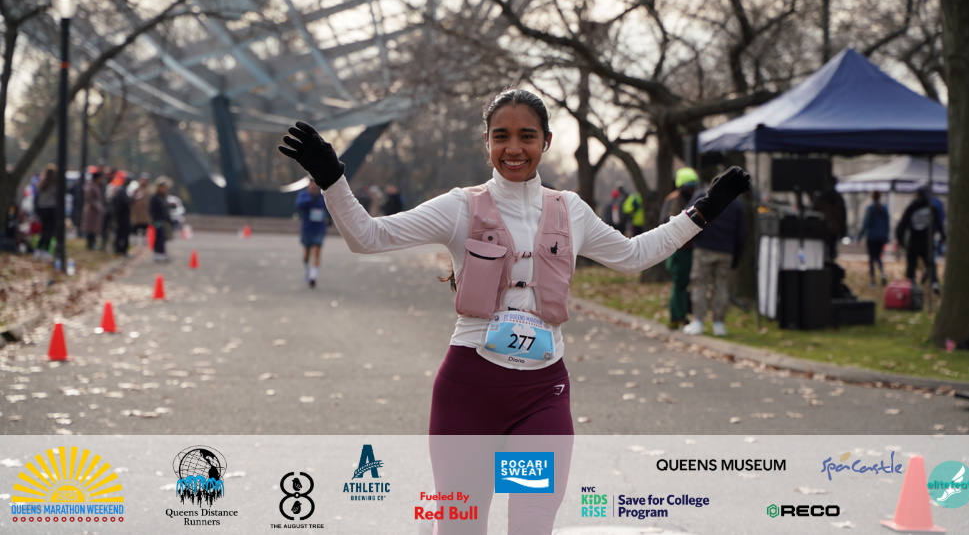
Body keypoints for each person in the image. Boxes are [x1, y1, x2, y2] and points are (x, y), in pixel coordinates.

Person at [279, 88, 750, 534]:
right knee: (462, 527)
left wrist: (703, 211)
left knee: (530, 526)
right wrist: (333, 180)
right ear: (486, 142)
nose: (514, 148)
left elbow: (633, 255)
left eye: (527, 136)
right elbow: (369, 237)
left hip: (541, 396)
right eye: (501, 136)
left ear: (546, 141)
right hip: (468, 393)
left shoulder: (571, 210)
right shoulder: (460, 207)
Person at [684, 174, 746, 336]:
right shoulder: (737, 204)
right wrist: (736, 255)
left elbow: (688, 218)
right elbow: (741, 233)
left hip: (704, 247)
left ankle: (698, 321)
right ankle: (719, 323)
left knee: (700, 284)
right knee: (721, 287)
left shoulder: (702, 196)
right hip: (726, 250)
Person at [662, 167, 699, 330]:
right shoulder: (675, 200)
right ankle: (678, 316)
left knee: (682, 284)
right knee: (679, 284)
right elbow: (667, 222)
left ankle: (677, 316)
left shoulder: (687, 199)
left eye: (693, 185)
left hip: (687, 248)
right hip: (678, 249)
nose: (692, 189)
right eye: (689, 185)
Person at [895, 187, 945, 293]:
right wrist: (942, 237)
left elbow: (903, 224)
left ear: (918, 195)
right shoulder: (932, 207)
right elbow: (939, 224)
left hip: (914, 240)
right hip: (927, 240)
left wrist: (900, 239)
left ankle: (911, 284)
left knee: (911, 264)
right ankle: (934, 283)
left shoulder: (912, 207)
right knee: (930, 263)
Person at [295, 179, 330, 288]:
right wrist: (311, 197)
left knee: (317, 251)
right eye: (311, 184)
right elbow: (299, 205)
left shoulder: (322, 196)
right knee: (307, 253)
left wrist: (330, 219)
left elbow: (329, 207)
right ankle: (307, 269)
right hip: (307, 228)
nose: (313, 186)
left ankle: (313, 277)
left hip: (319, 228)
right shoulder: (304, 195)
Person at [857, 190, 890, 286]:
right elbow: (887, 224)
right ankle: (882, 274)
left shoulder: (870, 209)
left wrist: (860, 236)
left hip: (872, 237)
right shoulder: (885, 209)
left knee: (872, 258)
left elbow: (866, 223)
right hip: (881, 237)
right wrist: (886, 236)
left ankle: (872, 280)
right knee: (879, 257)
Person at [812, 178, 847, 261]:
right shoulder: (839, 199)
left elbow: (814, 213)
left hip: (822, 228)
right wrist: (843, 230)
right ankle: (830, 263)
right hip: (834, 229)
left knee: (822, 250)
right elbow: (843, 217)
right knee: (832, 249)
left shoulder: (820, 198)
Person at [33, 164, 58, 258]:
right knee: (49, 231)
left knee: (43, 230)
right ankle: (46, 250)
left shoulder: (42, 184)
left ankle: (38, 249)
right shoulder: (54, 185)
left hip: (42, 209)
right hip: (51, 209)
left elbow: (37, 197)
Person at [81, 169, 106, 251]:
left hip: (94, 211)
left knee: (94, 228)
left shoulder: (95, 186)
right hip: (91, 210)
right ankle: (90, 244)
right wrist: (98, 206)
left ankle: (92, 243)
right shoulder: (91, 186)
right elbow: (90, 199)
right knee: (91, 228)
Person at [149, 176, 172, 262]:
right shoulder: (154, 198)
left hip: (163, 220)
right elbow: (152, 210)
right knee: (159, 237)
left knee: (163, 238)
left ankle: (162, 253)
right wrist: (155, 221)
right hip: (157, 221)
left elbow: (165, 211)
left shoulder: (163, 198)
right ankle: (158, 253)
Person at [109, 172, 132, 256]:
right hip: (122, 216)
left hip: (120, 216)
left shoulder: (121, 190)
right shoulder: (122, 191)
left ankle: (118, 248)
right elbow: (125, 202)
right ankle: (121, 249)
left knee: (119, 233)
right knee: (122, 233)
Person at [130, 173, 152, 243]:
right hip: (136, 213)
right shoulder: (136, 189)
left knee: (145, 228)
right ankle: (134, 242)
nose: (144, 181)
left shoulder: (149, 189)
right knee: (135, 227)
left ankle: (144, 242)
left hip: (145, 213)